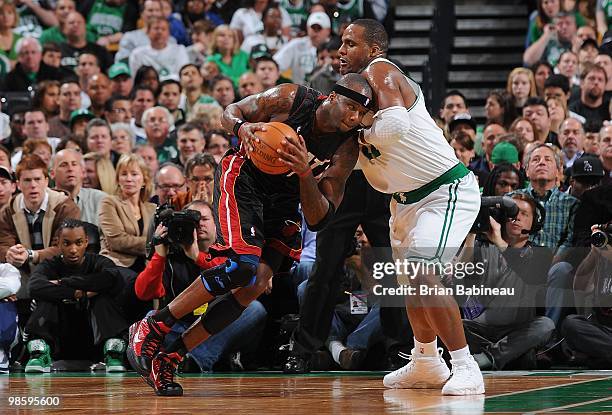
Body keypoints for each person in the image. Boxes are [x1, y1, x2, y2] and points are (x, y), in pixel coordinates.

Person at [127, 73, 373, 396]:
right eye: (350, 107)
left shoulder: (346, 148)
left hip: (285, 202)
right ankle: (153, 324)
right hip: (243, 179)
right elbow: (230, 113)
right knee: (241, 265)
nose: (354, 118)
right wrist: (242, 129)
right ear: (332, 97)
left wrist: (303, 171)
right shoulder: (291, 98)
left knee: (254, 285)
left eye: (360, 113)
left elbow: (318, 219)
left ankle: (171, 356)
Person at [337, 19, 485, 395]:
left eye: (350, 43)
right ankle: (425, 361)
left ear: (373, 49)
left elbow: (394, 128)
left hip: (444, 190)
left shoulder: (380, 70)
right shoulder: (353, 100)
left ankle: (466, 366)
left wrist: (355, 136)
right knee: (412, 286)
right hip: (404, 202)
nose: (341, 51)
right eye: (341, 44)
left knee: (423, 273)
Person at [134, 200, 268, 372]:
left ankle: (195, 358)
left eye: (204, 219)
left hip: (218, 327)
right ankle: (190, 358)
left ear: (217, 223)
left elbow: (240, 276)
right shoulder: (173, 254)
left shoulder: (230, 250)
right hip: (181, 326)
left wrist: (198, 257)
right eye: (192, 220)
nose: (199, 225)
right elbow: (143, 292)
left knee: (254, 309)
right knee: (150, 316)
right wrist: (159, 255)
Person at [24, 219, 129, 373]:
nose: (73, 250)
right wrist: (77, 293)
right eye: (67, 243)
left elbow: (112, 278)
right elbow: (34, 286)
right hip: (59, 336)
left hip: (93, 336)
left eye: (78, 243)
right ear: (58, 243)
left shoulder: (99, 262)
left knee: (102, 298)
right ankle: (39, 353)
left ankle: (112, 353)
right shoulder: (49, 265)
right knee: (46, 299)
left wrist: (63, 282)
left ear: (86, 242)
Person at [99, 154, 155, 272]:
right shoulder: (109, 203)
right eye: (124, 174)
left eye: (134, 174)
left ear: (144, 180)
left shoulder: (152, 209)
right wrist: (152, 243)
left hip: (146, 265)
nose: (129, 179)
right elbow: (116, 241)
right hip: (117, 265)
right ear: (118, 180)